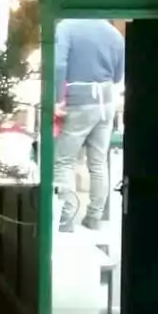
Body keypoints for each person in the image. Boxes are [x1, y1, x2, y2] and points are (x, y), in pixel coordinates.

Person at [53, 19, 125, 233]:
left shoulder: (66, 26)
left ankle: (65, 218)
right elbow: (118, 75)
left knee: (63, 161)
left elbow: (58, 64)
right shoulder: (113, 33)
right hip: (106, 101)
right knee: (98, 162)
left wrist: (58, 99)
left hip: (78, 99)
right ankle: (94, 217)